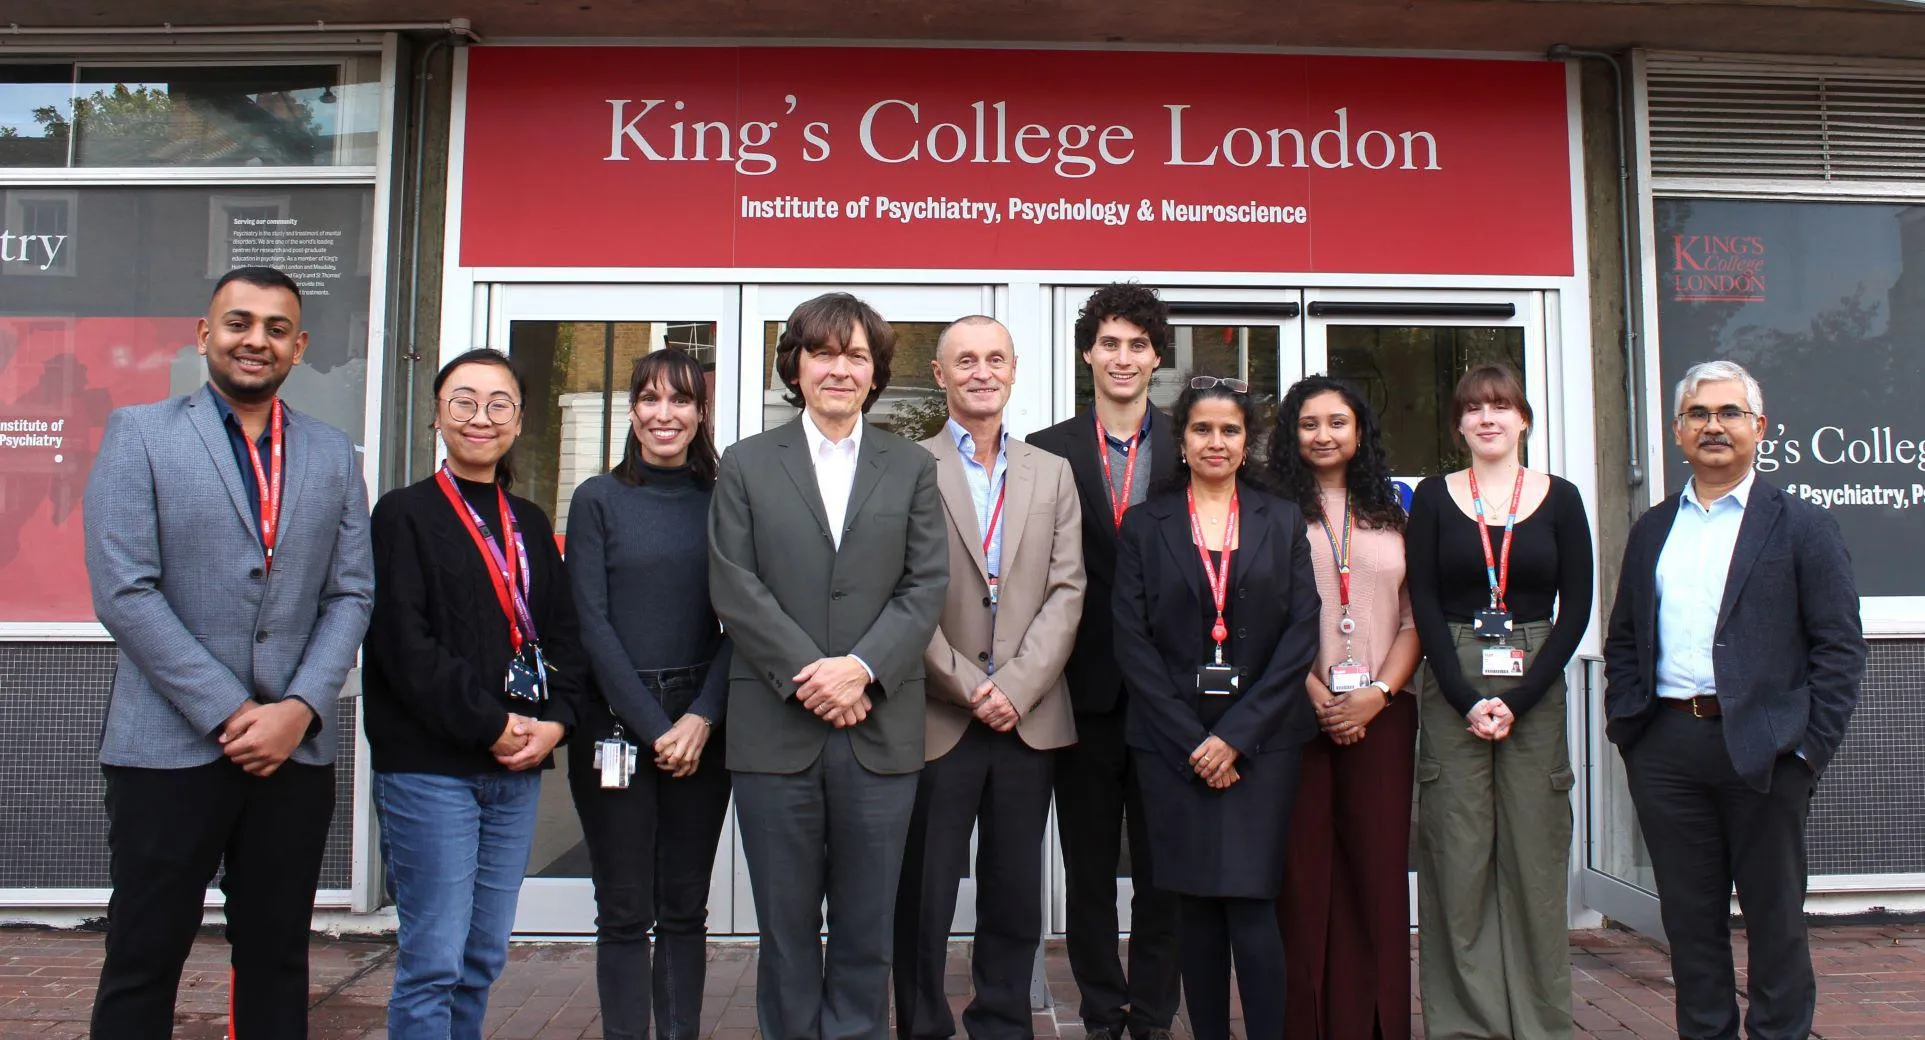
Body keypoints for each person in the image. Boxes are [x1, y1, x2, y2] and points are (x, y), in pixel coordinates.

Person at [83, 266, 374, 1039]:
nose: (257, 340)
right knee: (144, 956)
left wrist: (299, 709)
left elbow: (352, 594)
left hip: (291, 756)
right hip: (166, 749)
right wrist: (232, 710)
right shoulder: (139, 434)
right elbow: (125, 592)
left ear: (299, 346)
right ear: (205, 333)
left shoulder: (331, 454)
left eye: (277, 328)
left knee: (278, 957)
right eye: (240, 323)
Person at [707, 292, 948, 1040]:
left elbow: (925, 584)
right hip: (775, 729)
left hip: (879, 729)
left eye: (855, 355)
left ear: (874, 373)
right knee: (783, 928)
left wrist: (862, 670)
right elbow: (733, 585)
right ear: (797, 366)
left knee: (867, 926)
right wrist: (817, 674)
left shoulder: (909, 465)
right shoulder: (745, 463)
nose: (839, 369)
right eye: (823, 352)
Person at [1604, 360, 1864, 1040]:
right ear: (1677, 431)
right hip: (1666, 747)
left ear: (1759, 428)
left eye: (1728, 413)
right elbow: (1626, 637)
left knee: (1774, 923)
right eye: (1698, 414)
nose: (1712, 426)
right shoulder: (1652, 530)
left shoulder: (1801, 524)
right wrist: (1629, 730)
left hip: (1766, 750)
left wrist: (1807, 751)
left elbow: (1838, 648)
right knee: (1689, 926)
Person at [363, 347, 585, 1040]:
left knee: (482, 955)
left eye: (498, 403)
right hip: (430, 771)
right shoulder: (402, 515)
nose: (480, 417)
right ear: (438, 416)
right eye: (463, 401)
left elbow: (564, 637)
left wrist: (555, 723)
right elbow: (404, 644)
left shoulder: (527, 523)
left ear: (519, 420)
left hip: (514, 771)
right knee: (433, 960)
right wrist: (490, 723)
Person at [1111, 375, 1321, 1040]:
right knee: (1194, 908)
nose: (1215, 442)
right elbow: (1130, 638)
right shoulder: (1147, 522)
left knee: (1253, 904)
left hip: (1262, 744)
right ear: (1182, 438)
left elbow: (1300, 633)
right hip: (1171, 747)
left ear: (1247, 440)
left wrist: (1234, 737)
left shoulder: (1280, 517)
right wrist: (1192, 741)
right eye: (1201, 429)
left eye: (1229, 430)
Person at [893, 316, 1086, 1040]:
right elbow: (898, 591)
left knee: (1012, 892)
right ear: (940, 376)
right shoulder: (905, 466)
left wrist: (1014, 687)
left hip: (1026, 717)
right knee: (923, 892)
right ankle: (921, 1024)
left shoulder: (1052, 473)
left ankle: (1003, 1022)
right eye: (964, 360)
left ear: (1013, 372)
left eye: (994, 359)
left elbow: (1068, 591)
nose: (981, 371)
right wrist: (962, 683)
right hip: (936, 715)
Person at [1405, 363, 1592, 1040]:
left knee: (1533, 857)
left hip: (1533, 672)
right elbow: (1421, 600)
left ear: (1523, 419)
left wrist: (1522, 696)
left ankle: (1539, 1023)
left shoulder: (1561, 498)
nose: (1487, 417)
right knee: (1457, 857)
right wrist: (1461, 697)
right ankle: (1466, 1025)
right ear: (1457, 424)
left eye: (1500, 405)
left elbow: (1576, 606)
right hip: (1452, 669)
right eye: (1474, 408)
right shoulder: (1432, 497)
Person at [1027, 283, 1182, 1040]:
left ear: (1156, 356)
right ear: (1088, 351)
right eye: (1109, 343)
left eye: (1137, 345)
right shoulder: (1046, 449)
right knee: (1088, 872)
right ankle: (1100, 1008)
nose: (1122, 358)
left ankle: (1152, 1011)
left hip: (1171, 697)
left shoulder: (1191, 441)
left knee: (1162, 871)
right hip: (1079, 693)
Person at [566, 349, 734, 1040]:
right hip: (613, 729)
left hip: (704, 727)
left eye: (680, 401)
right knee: (624, 907)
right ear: (632, 410)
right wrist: (650, 726)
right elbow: (590, 621)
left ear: (700, 414)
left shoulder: (727, 500)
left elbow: (743, 620)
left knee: (684, 906)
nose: (664, 414)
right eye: (650, 399)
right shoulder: (597, 500)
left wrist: (699, 717)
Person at [1267, 376, 1422, 1040]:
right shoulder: (1269, 511)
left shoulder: (1397, 510)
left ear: (1359, 432)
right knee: (1301, 881)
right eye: (1307, 423)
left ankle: (1376, 1024)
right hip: (1292, 712)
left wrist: (1375, 695)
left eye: (1336, 422)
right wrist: (1315, 694)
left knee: (1376, 875)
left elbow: (1417, 619)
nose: (1323, 435)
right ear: (1289, 435)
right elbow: (1262, 617)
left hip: (1382, 713)